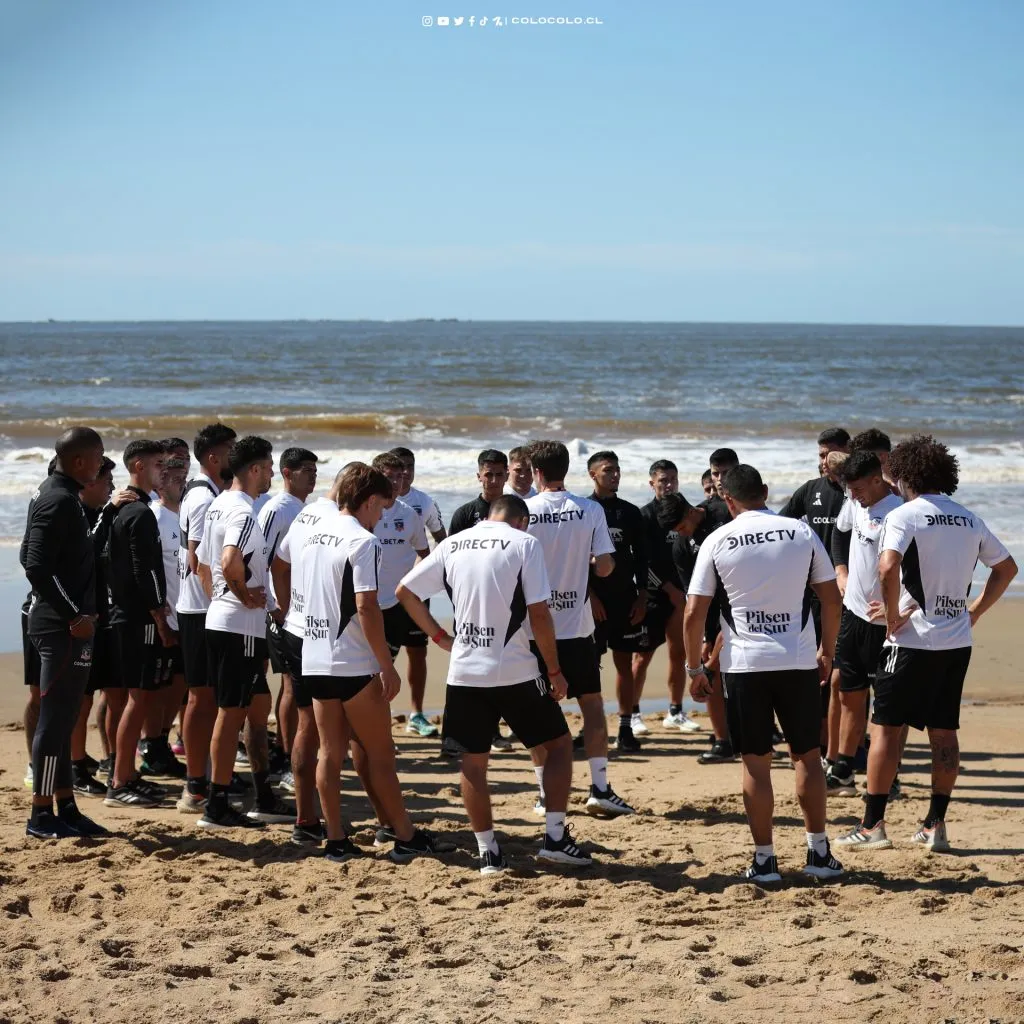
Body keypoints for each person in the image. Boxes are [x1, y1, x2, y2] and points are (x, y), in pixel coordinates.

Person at [835, 436, 1017, 853]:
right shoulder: (968, 518)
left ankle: (872, 825)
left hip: (912, 639)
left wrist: (892, 616)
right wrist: (974, 611)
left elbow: (887, 566)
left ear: (903, 476)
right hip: (956, 640)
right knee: (944, 731)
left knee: (885, 728)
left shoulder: (904, 515)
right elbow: (1006, 568)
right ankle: (935, 825)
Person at [397, 494, 593, 872]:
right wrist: (554, 670)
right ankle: (555, 838)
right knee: (558, 745)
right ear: (522, 520)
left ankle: (488, 852)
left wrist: (439, 636)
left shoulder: (453, 543)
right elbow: (539, 612)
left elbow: (405, 591)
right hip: (514, 669)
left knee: (473, 764)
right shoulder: (524, 543)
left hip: (465, 670)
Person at [683, 464, 845, 882]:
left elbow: (694, 611)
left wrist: (695, 667)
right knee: (807, 757)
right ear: (766, 491)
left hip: (745, 664)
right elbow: (831, 599)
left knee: (755, 764)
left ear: (727, 499)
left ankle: (764, 860)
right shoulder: (800, 532)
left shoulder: (718, 538)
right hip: (797, 660)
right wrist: (827, 651)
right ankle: (818, 853)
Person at [297, 462, 449, 862]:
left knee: (329, 753)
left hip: (314, 657)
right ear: (366, 501)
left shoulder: (314, 533)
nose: (382, 516)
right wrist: (386, 664)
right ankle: (405, 836)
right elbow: (366, 606)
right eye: (381, 506)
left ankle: (335, 839)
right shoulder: (363, 541)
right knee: (381, 754)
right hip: (352, 662)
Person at [525, 440, 635, 817]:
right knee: (591, 705)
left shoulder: (524, 510)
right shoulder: (589, 509)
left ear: (537, 472)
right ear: (566, 469)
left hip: (534, 629)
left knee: (539, 713)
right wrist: (587, 561)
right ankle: (600, 788)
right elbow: (605, 567)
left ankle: (545, 794)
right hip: (576, 626)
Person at [196, 435, 294, 830]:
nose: (271, 474)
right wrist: (242, 595)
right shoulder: (243, 512)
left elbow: (202, 566)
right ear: (254, 470)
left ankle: (263, 796)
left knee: (257, 706)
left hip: (224, 620)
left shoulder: (219, 504)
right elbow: (227, 561)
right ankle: (216, 804)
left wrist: (220, 598)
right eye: (268, 467)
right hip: (239, 627)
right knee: (231, 712)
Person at [20, 427, 110, 838]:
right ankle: (40, 814)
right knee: (54, 722)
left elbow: (30, 554)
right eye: (99, 456)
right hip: (61, 628)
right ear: (79, 461)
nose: (101, 463)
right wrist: (74, 616)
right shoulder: (57, 499)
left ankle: (66, 806)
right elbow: (35, 565)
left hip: (69, 626)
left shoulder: (63, 494)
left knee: (64, 718)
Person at [271, 476, 346, 846]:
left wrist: (288, 609)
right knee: (338, 734)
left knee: (306, 726)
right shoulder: (340, 523)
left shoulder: (306, 513)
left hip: (295, 630)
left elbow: (278, 565)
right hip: (324, 638)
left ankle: (305, 819)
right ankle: (340, 827)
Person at [825, 450, 903, 797]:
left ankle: (890, 775)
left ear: (877, 480)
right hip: (853, 615)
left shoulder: (899, 512)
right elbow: (839, 533)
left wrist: (895, 607)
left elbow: (917, 567)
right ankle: (843, 769)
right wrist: (840, 570)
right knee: (848, 694)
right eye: (850, 489)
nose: (853, 496)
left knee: (887, 703)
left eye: (858, 489)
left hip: (885, 623)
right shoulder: (856, 500)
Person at [104, 439, 175, 808]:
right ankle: (120, 781)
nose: (164, 470)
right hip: (137, 617)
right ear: (137, 466)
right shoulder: (138, 513)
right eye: (157, 464)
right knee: (138, 697)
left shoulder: (124, 509)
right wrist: (159, 615)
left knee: (137, 696)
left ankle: (127, 774)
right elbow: (144, 570)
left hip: (125, 614)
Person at [175, 422, 236, 814]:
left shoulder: (207, 491)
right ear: (213, 457)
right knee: (201, 696)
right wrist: (221, 605)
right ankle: (195, 784)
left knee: (208, 695)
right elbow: (198, 561)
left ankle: (205, 777)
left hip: (203, 607)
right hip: (201, 609)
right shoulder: (201, 496)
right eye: (231, 450)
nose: (236, 457)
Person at [260, 447, 319, 778]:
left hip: (301, 609)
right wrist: (276, 606)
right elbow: (262, 558)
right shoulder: (278, 509)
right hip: (282, 612)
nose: (313, 476)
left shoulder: (305, 508)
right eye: (306, 470)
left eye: (315, 471)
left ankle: (294, 748)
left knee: (297, 684)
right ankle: (284, 754)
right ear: (287, 473)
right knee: (290, 684)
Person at [586, 450, 649, 753]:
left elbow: (643, 558)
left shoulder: (630, 512)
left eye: (617, 470)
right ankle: (591, 727)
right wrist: (590, 596)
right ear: (593, 475)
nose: (615, 475)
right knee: (590, 667)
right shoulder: (583, 510)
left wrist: (643, 596)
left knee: (624, 663)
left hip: (625, 600)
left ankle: (625, 727)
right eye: (608, 470)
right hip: (593, 604)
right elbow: (574, 561)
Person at [633, 459, 701, 734]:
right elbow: (642, 562)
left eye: (673, 479)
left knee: (679, 653)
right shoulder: (644, 516)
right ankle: (633, 713)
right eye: (663, 480)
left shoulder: (687, 511)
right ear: (652, 484)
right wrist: (669, 590)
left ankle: (675, 711)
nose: (669, 484)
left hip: (681, 596)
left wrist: (684, 591)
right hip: (653, 596)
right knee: (642, 656)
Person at [370, 453, 434, 737]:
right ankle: (370, 728)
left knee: (397, 664)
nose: (397, 481)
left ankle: (413, 716)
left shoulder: (410, 514)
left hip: (401, 603)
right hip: (368, 603)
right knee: (370, 670)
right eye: (390, 476)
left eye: (400, 475)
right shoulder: (364, 509)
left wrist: (412, 585)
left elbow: (426, 553)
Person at [388, 446, 447, 733]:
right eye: (399, 467)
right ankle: (378, 713)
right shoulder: (371, 501)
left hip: (415, 593)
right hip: (380, 595)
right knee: (380, 657)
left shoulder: (424, 502)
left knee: (417, 652)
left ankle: (416, 715)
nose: (404, 473)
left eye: (409, 467)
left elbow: (442, 541)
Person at [449, 449, 510, 536]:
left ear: (507, 476)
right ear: (479, 477)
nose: (494, 481)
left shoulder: (516, 511)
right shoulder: (464, 514)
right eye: (488, 475)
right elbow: (451, 544)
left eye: (499, 475)